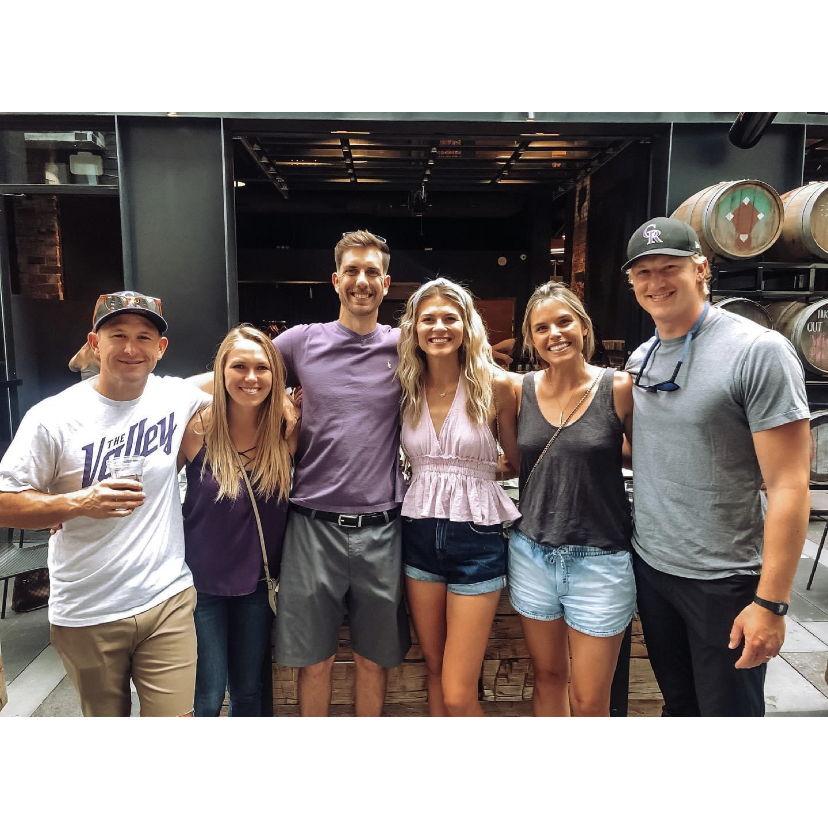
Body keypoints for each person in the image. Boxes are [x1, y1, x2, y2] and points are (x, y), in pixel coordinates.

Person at [624, 216, 810, 716]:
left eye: (670, 268)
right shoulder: (642, 359)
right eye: (643, 273)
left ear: (701, 269)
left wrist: (770, 604)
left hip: (724, 579)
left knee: (728, 719)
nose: (656, 283)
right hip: (654, 567)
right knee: (679, 706)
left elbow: (790, 484)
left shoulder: (758, 351)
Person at [0, 291, 209, 716]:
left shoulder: (175, 396)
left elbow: (237, 377)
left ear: (160, 349)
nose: (131, 349)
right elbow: (5, 502)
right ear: (95, 344)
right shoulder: (52, 417)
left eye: (143, 337)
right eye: (117, 335)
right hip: (88, 608)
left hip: (165, 595)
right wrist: (77, 503)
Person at [272, 230, 410, 716]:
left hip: (383, 527)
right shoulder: (300, 342)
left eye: (372, 271)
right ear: (335, 280)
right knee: (315, 663)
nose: (362, 281)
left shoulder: (405, 347)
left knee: (375, 661)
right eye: (352, 270)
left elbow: (473, 370)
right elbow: (236, 371)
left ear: (387, 283)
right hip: (311, 526)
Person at [508, 281, 635, 716]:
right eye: (541, 328)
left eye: (564, 322)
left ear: (583, 326)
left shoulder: (619, 388)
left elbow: (648, 458)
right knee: (547, 678)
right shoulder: (520, 390)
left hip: (600, 558)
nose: (554, 334)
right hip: (531, 552)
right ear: (530, 338)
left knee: (589, 697)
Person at [396, 278, 520, 716]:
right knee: (433, 670)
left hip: (477, 541)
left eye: (450, 318)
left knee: (457, 690)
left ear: (467, 326)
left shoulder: (499, 386)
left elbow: (518, 460)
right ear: (413, 329)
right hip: (419, 536)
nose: (439, 327)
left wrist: (475, 473)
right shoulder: (406, 388)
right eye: (427, 319)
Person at [179, 325, 297, 716]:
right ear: (221, 372)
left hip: (258, 586)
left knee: (249, 691)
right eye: (239, 366)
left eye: (263, 368)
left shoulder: (286, 430)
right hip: (202, 586)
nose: (251, 377)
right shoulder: (196, 429)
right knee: (208, 696)